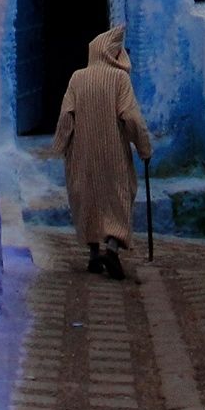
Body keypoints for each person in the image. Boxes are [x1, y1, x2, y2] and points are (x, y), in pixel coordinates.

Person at [51, 24, 153, 280]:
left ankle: (94, 255)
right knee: (118, 196)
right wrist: (144, 148)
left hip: (82, 153)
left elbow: (66, 115)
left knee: (88, 198)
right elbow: (130, 117)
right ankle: (112, 248)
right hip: (113, 153)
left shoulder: (77, 77)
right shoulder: (120, 79)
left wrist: (60, 146)